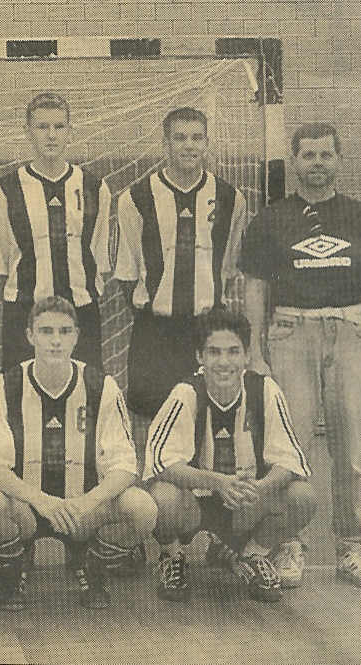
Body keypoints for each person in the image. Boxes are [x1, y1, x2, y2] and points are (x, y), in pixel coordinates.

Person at [240, 122, 361, 590]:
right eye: (309, 155)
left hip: (352, 333)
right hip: (290, 333)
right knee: (292, 446)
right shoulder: (271, 219)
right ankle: (289, 543)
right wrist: (255, 351)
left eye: (326, 154)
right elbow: (254, 287)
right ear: (294, 161)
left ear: (339, 160)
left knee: (351, 446)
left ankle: (351, 546)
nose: (318, 163)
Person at [0, 296, 152, 611]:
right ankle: (12, 569)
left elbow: (125, 467)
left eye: (64, 331)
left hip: (83, 510)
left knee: (142, 507)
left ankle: (93, 565)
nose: (56, 341)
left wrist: (87, 502)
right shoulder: (5, 386)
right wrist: (41, 500)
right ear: (30, 335)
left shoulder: (101, 386)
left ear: (76, 336)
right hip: (26, 509)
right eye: (46, 331)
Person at [145, 307, 315, 603]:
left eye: (233, 352)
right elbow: (161, 463)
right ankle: (172, 556)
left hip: (245, 501)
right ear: (200, 356)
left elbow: (289, 461)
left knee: (303, 497)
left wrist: (260, 488)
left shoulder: (264, 389)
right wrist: (217, 482)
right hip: (194, 502)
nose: (224, 362)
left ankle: (252, 554)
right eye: (214, 352)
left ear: (246, 355)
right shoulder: (186, 393)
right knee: (162, 496)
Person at [113, 107, 249, 452]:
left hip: (205, 328)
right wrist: (157, 306)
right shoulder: (136, 198)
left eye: (197, 137)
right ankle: (148, 485)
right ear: (165, 144)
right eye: (180, 138)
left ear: (207, 143)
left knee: (206, 419)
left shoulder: (231, 199)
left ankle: (205, 484)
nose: (189, 145)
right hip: (155, 331)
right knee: (148, 420)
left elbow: (228, 268)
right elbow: (127, 273)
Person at [0, 93, 113, 374]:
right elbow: (1, 264)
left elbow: (97, 259)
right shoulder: (5, 190)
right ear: (28, 132)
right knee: (20, 392)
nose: (51, 135)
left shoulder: (95, 188)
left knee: (85, 391)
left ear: (69, 132)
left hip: (80, 311)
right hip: (24, 311)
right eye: (42, 127)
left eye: (59, 126)